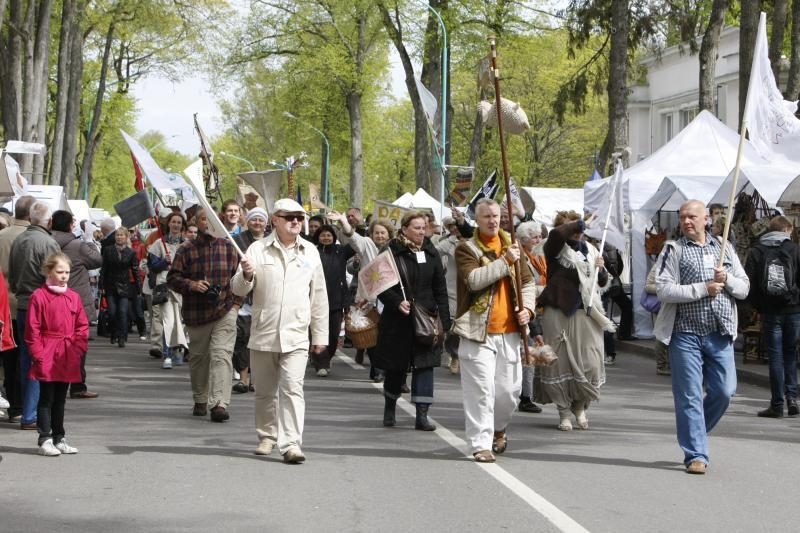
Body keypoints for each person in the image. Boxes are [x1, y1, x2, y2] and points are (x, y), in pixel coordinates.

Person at [655, 199, 749, 475]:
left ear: (706, 219)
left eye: (692, 217)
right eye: (683, 217)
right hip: (685, 333)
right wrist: (702, 288)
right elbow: (664, 290)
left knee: (725, 391)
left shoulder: (724, 248)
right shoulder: (673, 250)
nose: (686, 222)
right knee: (689, 396)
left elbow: (743, 289)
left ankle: (695, 430)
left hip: (719, 332)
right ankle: (696, 453)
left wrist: (728, 279)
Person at [231, 198, 328, 464]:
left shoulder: (310, 252)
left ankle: (292, 444)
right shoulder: (257, 249)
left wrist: (320, 336)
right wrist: (246, 275)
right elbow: (238, 289)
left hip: (296, 334)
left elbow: (318, 295)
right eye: (289, 217)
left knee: (292, 388)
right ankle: (267, 436)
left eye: (299, 216)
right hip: (263, 332)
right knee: (264, 391)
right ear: (275, 220)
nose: (296, 221)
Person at [453, 199, 536, 462]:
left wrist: (529, 310)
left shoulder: (512, 244)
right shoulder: (466, 248)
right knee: (481, 391)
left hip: (510, 331)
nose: (493, 220)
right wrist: (504, 261)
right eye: (487, 216)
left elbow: (527, 282)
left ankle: (499, 428)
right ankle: (480, 444)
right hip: (478, 331)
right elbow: (474, 281)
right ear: (477, 220)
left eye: (497, 216)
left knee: (508, 393)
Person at [535, 211, 614, 431]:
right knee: (559, 362)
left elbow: (600, 282)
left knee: (590, 362)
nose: (578, 232)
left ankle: (580, 407)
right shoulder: (555, 249)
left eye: (580, 228)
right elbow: (557, 235)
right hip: (559, 311)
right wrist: (579, 223)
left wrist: (601, 270)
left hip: (587, 313)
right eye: (573, 228)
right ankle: (563, 412)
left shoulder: (591, 250)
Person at [374, 211, 450, 431]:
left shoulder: (430, 251)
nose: (421, 232)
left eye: (423, 227)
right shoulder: (391, 251)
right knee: (396, 367)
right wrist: (396, 301)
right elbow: (378, 284)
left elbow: (440, 288)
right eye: (416, 227)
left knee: (425, 366)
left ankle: (422, 415)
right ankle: (390, 407)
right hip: (399, 319)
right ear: (405, 228)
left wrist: (444, 320)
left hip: (427, 318)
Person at [167, 208, 241, 422]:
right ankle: (200, 397)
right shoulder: (185, 249)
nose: (208, 223)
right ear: (196, 223)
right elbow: (172, 279)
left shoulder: (230, 248)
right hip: (196, 312)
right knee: (199, 358)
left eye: (212, 219)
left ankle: (219, 403)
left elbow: (243, 280)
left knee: (221, 354)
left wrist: (236, 304)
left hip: (225, 310)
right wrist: (192, 284)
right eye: (203, 219)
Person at [25, 252, 88, 456]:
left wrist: (78, 348)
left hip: (67, 352)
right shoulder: (39, 296)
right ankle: (45, 437)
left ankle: (60, 437)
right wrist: (38, 354)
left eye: (67, 272)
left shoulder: (73, 297)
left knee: (60, 398)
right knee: (46, 397)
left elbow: (82, 325)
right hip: (47, 350)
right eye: (59, 271)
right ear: (49, 271)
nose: (64, 276)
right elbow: (32, 329)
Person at [9, 201, 60, 430]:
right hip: (40, 307)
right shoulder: (48, 243)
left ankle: (27, 410)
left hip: (21, 304)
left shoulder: (19, 240)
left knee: (25, 359)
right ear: (47, 221)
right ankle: (32, 413)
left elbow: (12, 277)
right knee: (38, 360)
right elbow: (55, 279)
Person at [744, 215, 800, 418]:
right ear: (787, 229)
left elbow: (749, 283)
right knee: (791, 354)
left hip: (769, 312)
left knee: (775, 357)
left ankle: (776, 405)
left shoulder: (757, 251)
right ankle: (792, 399)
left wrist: (759, 307)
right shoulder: (794, 249)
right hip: (793, 310)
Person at [329, 211, 394, 382]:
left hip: (391, 300)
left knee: (388, 336)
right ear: (371, 234)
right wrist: (344, 222)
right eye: (376, 232)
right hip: (368, 299)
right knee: (371, 335)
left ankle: (391, 372)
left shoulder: (396, 248)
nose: (379, 236)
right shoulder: (366, 245)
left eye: (383, 233)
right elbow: (353, 237)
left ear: (389, 234)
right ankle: (378, 368)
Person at [50, 210, 101, 398]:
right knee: (78, 345)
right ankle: (77, 385)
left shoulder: (47, 242)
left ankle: (54, 381)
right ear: (70, 225)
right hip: (76, 302)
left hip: (52, 300)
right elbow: (97, 260)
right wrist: (89, 240)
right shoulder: (77, 245)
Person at [0, 195, 36, 422]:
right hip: (25, 302)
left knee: (9, 358)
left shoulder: (2, 236)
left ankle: (13, 403)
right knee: (27, 356)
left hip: (5, 303)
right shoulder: (33, 238)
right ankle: (22, 405)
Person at [231, 207, 269, 392]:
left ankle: (256, 379)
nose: (257, 223)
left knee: (260, 341)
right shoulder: (237, 241)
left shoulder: (272, 242)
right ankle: (243, 378)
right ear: (248, 221)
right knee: (243, 338)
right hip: (244, 299)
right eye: (254, 219)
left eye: (261, 220)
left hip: (264, 299)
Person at [313, 224, 355, 377]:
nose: (326, 238)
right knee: (317, 333)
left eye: (329, 235)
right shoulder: (313, 252)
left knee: (334, 334)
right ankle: (321, 363)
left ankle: (327, 357)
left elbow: (355, 244)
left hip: (337, 299)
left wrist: (348, 225)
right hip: (316, 300)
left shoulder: (341, 252)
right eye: (323, 235)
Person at [148, 212, 188, 369]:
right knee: (168, 322)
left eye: (179, 222)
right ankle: (167, 354)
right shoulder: (159, 244)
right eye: (174, 222)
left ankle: (179, 350)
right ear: (169, 224)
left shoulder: (186, 245)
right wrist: (164, 262)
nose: (176, 225)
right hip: (165, 287)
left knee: (181, 323)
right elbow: (152, 267)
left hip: (182, 288)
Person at [515, 221, 546, 414]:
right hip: (525, 310)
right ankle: (524, 396)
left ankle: (525, 394)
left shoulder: (538, 256)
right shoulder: (520, 257)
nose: (539, 240)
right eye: (535, 237)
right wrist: (543, 290)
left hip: (538, 308)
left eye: (539, 236)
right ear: (525, 240)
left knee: (529, 355)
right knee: (525, 355)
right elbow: (522, 288)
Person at [101, 227, 140, 348]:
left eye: (122, 235)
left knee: (123, 312)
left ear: (126, 237)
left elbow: (135, 271)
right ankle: (114, 332)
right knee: (112, 312)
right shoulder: (108, 250)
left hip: (124, 286)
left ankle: (122, 337)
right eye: (117, 235)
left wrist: (138, 288)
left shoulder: (131, 252)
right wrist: (101, 285)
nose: (119, 237)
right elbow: (104, 269)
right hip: (110, 285)